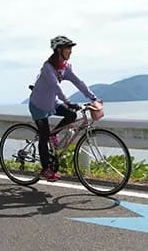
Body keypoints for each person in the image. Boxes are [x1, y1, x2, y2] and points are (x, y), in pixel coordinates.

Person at [28, 35, 99, 181]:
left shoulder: (65, 67)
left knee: (71, 116)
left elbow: (79, 82)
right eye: (68, 49)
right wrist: (68, 102)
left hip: (52, 103)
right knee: (44, 136)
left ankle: (54, 135)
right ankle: (46, 169)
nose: (71, 52)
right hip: (38, 105)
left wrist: (93, 98)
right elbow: (55, 87)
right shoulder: (48, 67)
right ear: (59, 50)